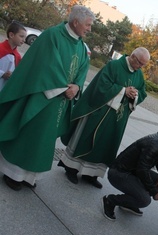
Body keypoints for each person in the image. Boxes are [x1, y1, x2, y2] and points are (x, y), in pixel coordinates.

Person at [0, 5, 95, 191]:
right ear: (76, 22)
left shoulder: (81, 46)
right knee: (31, 135)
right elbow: (45, 64)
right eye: (88, 25)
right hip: (42, 97)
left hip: (59, 102)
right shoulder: (53, 35)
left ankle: (29, 176)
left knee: (44, 140)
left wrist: (76, 87)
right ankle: (14, 174)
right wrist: (63, 87)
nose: (90, 29)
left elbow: (83, 69)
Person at [57, 47, 150, 189]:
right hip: (100, 111)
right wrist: (123, 91)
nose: (141, 67)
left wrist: (135, 95)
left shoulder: (139, 74)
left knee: (105, 145)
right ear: (132, 57)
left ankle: (91, 174)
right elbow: (101, 86)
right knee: (87, 139)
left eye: (144, 65)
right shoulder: (114, 66)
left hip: (117, 118)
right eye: (140, 63)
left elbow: (142, 92)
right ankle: (71, 168)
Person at [102, 117, 158, 220]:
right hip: (119, 173)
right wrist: (154, 192)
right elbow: (142, 170)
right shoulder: (155, 144)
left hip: (132, 171)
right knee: (144, 200)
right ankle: (111, 200)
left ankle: (128, 203)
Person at [0, 21, 26, 91]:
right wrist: (2, 74)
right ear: (11, 35)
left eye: (25, 37)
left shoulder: (17, 56)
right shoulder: (0, 48)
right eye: (21, 36)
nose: (24, 40)